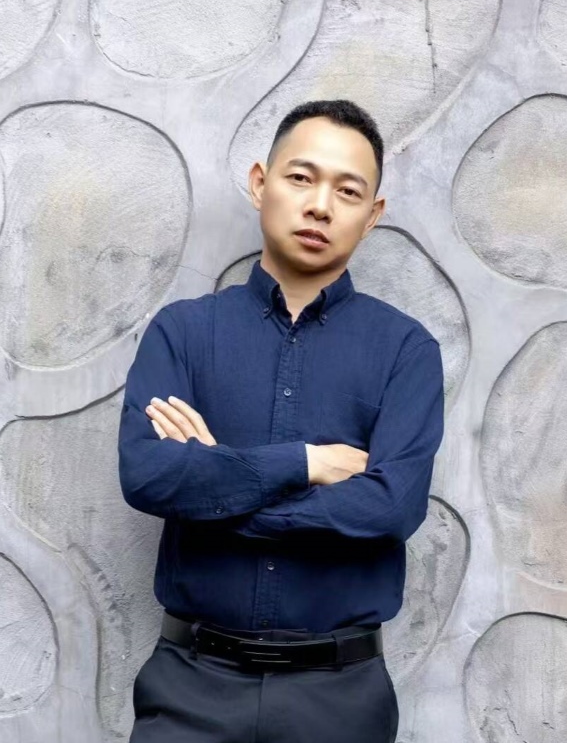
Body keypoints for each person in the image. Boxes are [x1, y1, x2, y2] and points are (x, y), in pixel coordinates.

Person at [118, 99, 445, 743]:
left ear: (372, 215)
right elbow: (149, 476)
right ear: (260, 183)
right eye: (301, 178)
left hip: (340, 699)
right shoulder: (183, 333)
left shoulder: (406, 350)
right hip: (190, 688)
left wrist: (221, 489)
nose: (320, 205)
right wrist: (307, 464)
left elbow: (391, 508)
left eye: (347, 191)